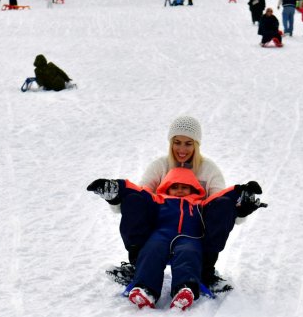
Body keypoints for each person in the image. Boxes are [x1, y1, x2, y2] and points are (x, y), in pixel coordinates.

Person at [107, 116, 260, 292]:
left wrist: (241, 209)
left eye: (188, 143)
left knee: (224, 204)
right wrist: (116, 197)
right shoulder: (160, 166)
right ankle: (138, 266)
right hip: (159, 230)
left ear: (196, 144)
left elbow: (220, 206)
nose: (182, 149)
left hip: (194, 234)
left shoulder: (209, 170)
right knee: (135, 199)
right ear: (170, 143)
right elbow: (141, 200)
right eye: (177, 142)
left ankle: (205, 271)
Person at [88, 168, 265, 310]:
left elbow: (221, 197)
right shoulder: (158, 200)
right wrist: (116, 187)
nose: (179, 190)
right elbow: (138, 191)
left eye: (184, 187)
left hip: (189, 237)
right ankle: (145, 289)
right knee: (152, 251)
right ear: (167, 188)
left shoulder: (199, 204)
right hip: (160, 235)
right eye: (175, 186)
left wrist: (241, 191)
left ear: (194, 189)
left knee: (188, 253)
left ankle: (184, 288)